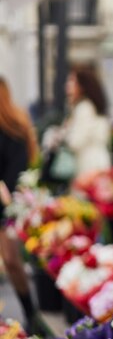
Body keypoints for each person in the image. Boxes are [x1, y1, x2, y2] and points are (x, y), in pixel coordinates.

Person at [0, 77, 40, 332]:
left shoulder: (14, 128)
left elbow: (17, 171)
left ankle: (30, 314)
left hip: (6, 206)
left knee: (12, 261)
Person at [64, 66, 111, 175]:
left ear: (82, 86)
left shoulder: (84, 108)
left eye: (72, 81)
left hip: (88, 166)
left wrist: (66, 132)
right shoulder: (91, 106)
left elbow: (75, 142)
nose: (68, 86)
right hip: (100, 162)